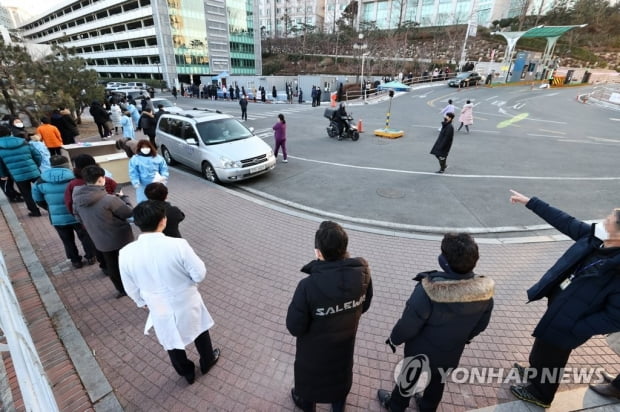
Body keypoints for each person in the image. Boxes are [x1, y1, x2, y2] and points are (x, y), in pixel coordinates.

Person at [508, 190, 620, 408]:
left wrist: (579, 327)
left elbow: (615, 317)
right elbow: (565, 221)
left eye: (609, 220)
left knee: (553, 355)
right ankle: (534, 373)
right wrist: (531, 202)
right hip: (560, 304)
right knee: (543, 344)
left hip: (573, 323)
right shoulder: (596, 238)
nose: (603, 221)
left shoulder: (617, 272)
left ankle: (541, 394)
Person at [377, 233, 494, 412]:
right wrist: (463, 338)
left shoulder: (428, 290)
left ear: (445, 261)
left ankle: (396, 405)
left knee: (409, 377)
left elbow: (409, 323)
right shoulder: (484, 292)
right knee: (438, 382)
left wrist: (394, 338)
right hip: (451, 351)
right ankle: (427, 407)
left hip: (420, 350)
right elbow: (481, 325)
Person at [119, 200, 220, 384]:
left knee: (170, 337)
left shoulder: (126, 253)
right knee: (198, 327)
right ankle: (207, 360)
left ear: (137, 223)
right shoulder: (178, 245)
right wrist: (192, 282)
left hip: (157, 303)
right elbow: (199, 273)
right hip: (185, 297)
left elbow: (130, 287)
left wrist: (141, 302)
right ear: (163, 221)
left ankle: (186, 372)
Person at [286, 221, 373, 412]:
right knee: (340, 381)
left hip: (313, 353)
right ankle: (338, 407)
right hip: (344, 347)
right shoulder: (362, 273)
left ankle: (307, 404)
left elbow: (294, 327)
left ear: (318, 252)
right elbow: (364, 305)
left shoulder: (307, 286)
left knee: (310, 385)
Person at [72, 165, 133, 298]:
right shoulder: (110, 199)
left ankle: (121, 289)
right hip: (120, 237)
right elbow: (128, 212)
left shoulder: (76, 199)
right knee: (129, 263)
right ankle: (135, 287)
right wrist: (124, 198)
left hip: (99, 238)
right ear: (101, 179)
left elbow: (77, 217)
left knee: (112, 265)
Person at [32, 155, 97, 269]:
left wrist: (49, 208)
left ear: (51, 165)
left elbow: (38, 199)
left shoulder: (40, 180)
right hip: (77, 214)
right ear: (67, 164)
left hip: (57, 218)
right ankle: (91, 256)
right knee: (85, 236)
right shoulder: (74, 177)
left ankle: (75, 261)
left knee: (67, 240)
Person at [0, 125, 43, 216]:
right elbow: (37, 155)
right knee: (43, 189)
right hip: (33, 171)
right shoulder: (22, 141)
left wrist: (3, 174)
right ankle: (49, 207)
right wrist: (36, 166)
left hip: (18, 175)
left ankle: (35, 211)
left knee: (26, 193)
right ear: (9, 132)